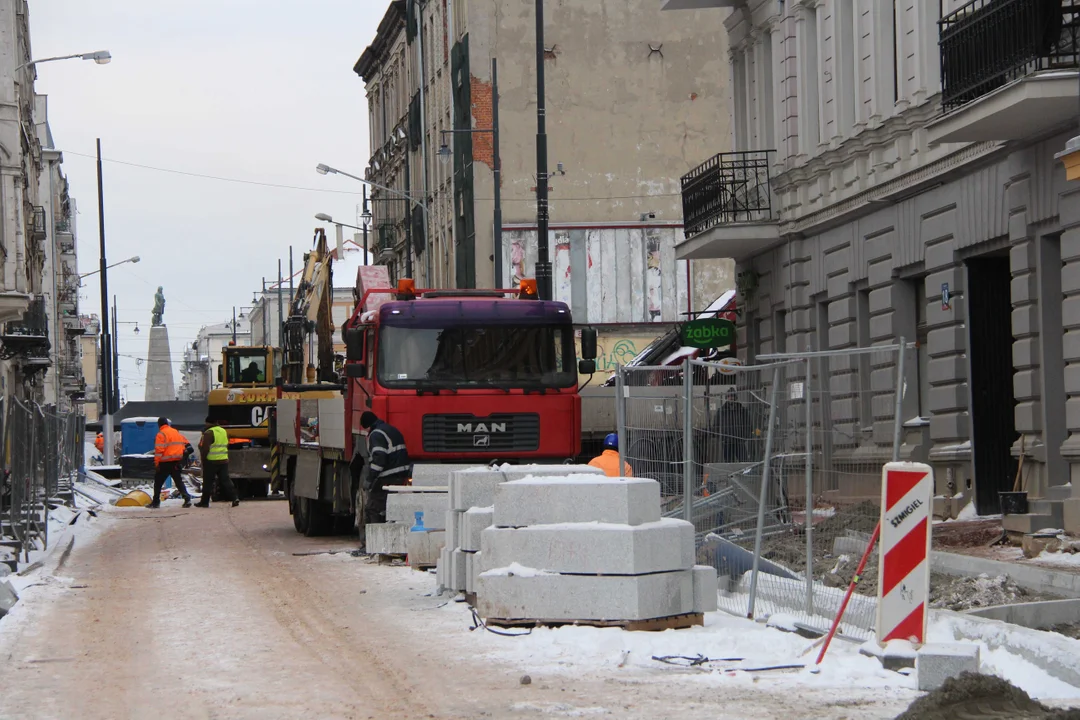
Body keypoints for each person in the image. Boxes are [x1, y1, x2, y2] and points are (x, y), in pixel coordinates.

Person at [357, 411, 411, 547]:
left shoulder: (376, 434)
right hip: (401, 476)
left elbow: (379, 459)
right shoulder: (391, 429)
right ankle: (394, 541)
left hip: (388, 477)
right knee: (394, 510)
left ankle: (374, 544)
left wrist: (370, 478)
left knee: (372, 508)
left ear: (368, 426)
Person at [195, 417, 240, 508]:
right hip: (223, 460)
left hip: (211, 461)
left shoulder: (209, 433)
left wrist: (203, 460)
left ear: (209, 423)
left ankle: (204, 502)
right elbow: (226, 444)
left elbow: (205, 448)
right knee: (225, 480)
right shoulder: (223, 431)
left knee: (208, 482)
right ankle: (235, 498)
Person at [150, 417, 193, 509]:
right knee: (178, 481)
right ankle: (187, 498)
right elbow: (186, 445)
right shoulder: (176, 432)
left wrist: (157, 463)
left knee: (158, 483)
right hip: (176, 462)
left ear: (159, 425)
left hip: (165, 463)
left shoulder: (161, 434)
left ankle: (155, 502)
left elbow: (159, 451)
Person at [717, 387, 752, 462]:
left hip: (739, 440)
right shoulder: (721, 411)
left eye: (732, 396)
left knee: (744, 461)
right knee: (729, 463)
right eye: (729, 396)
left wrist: (745, 436)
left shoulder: (742, 410)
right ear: (726, 397)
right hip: (727, 441)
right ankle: (731, 474)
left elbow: (748, 424)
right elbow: (716, 425)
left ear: (735, 397)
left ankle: (744, 474)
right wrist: (721, 437)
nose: (731, 398)